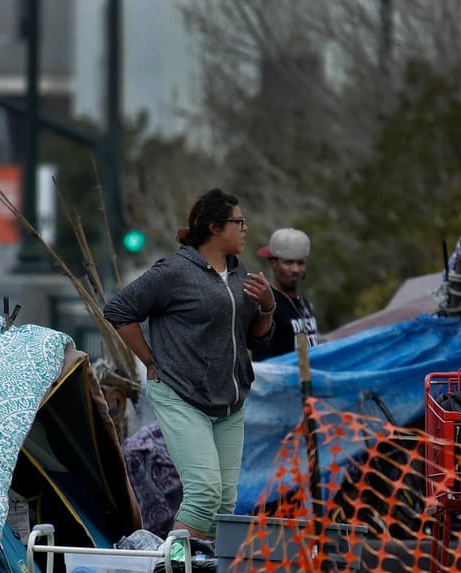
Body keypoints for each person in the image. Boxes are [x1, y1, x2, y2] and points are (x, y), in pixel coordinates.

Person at [102, 188, 275, 539]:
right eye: (238, 222)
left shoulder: (243, 276)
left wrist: (269, 308)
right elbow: (119, 310)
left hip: (229, 403)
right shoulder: (175, 271)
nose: (245, 229)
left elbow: (257, 339)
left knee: (225, 503)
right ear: (214, 227)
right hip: (182, 394)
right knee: (204, 494)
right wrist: (149, 359)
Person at [250, 228, 321, 361]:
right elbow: (262, 362)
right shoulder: (267, 304)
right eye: (288, 262)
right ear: (273, 263)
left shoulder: (304, 304)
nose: (295, 269)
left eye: (300, 262)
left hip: (309, 379)